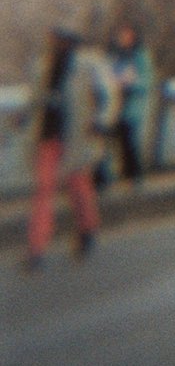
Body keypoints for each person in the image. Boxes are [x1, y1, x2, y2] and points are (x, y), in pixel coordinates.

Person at [24, 27, 116, 269]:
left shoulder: (88, 64)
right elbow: (35, 99)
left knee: (78, 188)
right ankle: (36, 249)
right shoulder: (43, 66)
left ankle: (87, 229)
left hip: (76, 135)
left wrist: (102, 121)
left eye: (61, 40)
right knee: (44, 190)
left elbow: (108, 92)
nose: (56, 44)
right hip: (48, 135)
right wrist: (24, 118)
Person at [106, 22, 152, 184]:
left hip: (132, 105)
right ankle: (110, 175)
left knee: (129, 140)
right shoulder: (115, 55)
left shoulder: (140, 56)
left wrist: (131, 83)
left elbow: (147, 81)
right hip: (115, 104)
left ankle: (133, 174)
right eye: (121, 36)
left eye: (127, 36)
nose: (123, 39)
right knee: (110, 140)